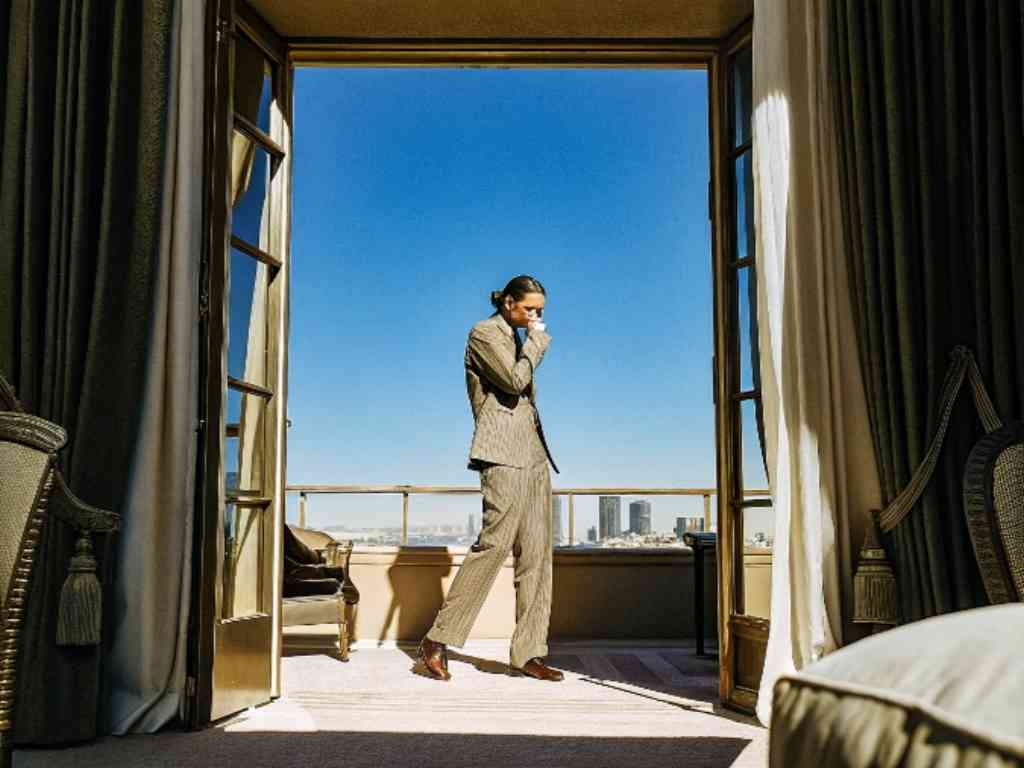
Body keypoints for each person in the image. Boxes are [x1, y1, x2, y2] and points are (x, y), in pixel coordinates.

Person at [417, 275, 563, 682]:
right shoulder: (484, 333)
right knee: (494, 545)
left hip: (534, 455)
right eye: (529, 309)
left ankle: (529, 653)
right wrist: (537, 341)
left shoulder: (518, 338)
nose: (536, 317)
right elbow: (513, 381)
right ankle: (436, 640)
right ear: (508, 302)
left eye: (540, 311)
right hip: (500, 453)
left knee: (537, 555)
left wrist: (529, 341)